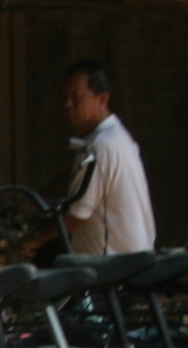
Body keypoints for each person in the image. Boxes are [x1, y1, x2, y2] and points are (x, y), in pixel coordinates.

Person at [59, 59, 155, 255]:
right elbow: (82, 179)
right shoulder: (115, 136)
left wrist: (33, 240)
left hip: (113, 267)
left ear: (102, 99)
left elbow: (77, 216)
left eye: (76, 98)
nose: (67, 105)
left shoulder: (98, 147)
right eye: (66, 97)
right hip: (135, 259)